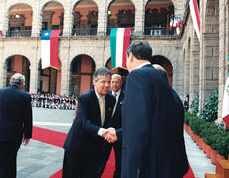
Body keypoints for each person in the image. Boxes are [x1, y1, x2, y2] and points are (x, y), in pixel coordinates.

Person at [121, 41, 189, 178]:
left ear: (131, 56)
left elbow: (138, 127)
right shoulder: (160, 78)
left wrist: (134, 170)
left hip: (148, 166)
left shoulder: (136, 76)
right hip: (166, 163)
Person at [62, 67, 116, 178]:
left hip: (94, 149)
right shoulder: (85, 98)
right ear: (94, 82)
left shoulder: (111, 100)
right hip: (77, 147)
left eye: (108, 82)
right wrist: (102, 131)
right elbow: (81, 121)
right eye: (103, 82)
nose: (107, 85)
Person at [0, 73, 33, 178]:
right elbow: (28, 118)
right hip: (14, 136)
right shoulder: (25, 96)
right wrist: (27, 135)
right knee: (11, 160)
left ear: (10, 82)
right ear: (22, 83)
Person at [97, 74, 124, 178]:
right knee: (101, 160)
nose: (114, 84)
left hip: (118, 134)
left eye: (117, 82)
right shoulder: (105, 94)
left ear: (121, 83)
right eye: (112, 82)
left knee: (120, 162)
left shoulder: (127, 96)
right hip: (106, 133)